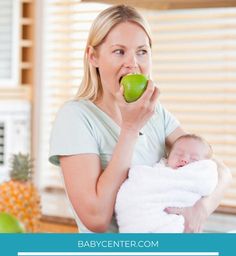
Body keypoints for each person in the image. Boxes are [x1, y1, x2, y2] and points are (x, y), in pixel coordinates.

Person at [49, 4, 231, 233]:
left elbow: (220, 170)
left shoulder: (155, 114)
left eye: (142, 51)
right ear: (93, 56)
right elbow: (95, 218)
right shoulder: (75, 117)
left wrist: (201, 210)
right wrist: (130, 128)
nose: (132, 63)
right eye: (119, 51)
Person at [115, 134, 218, 233]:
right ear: (168, 157)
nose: (184, 159)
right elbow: (138, 187)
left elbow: (208, 184)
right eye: (179, 154)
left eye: (194, 159)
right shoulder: (156, 173)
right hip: (140, 221)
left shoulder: (198, 179)